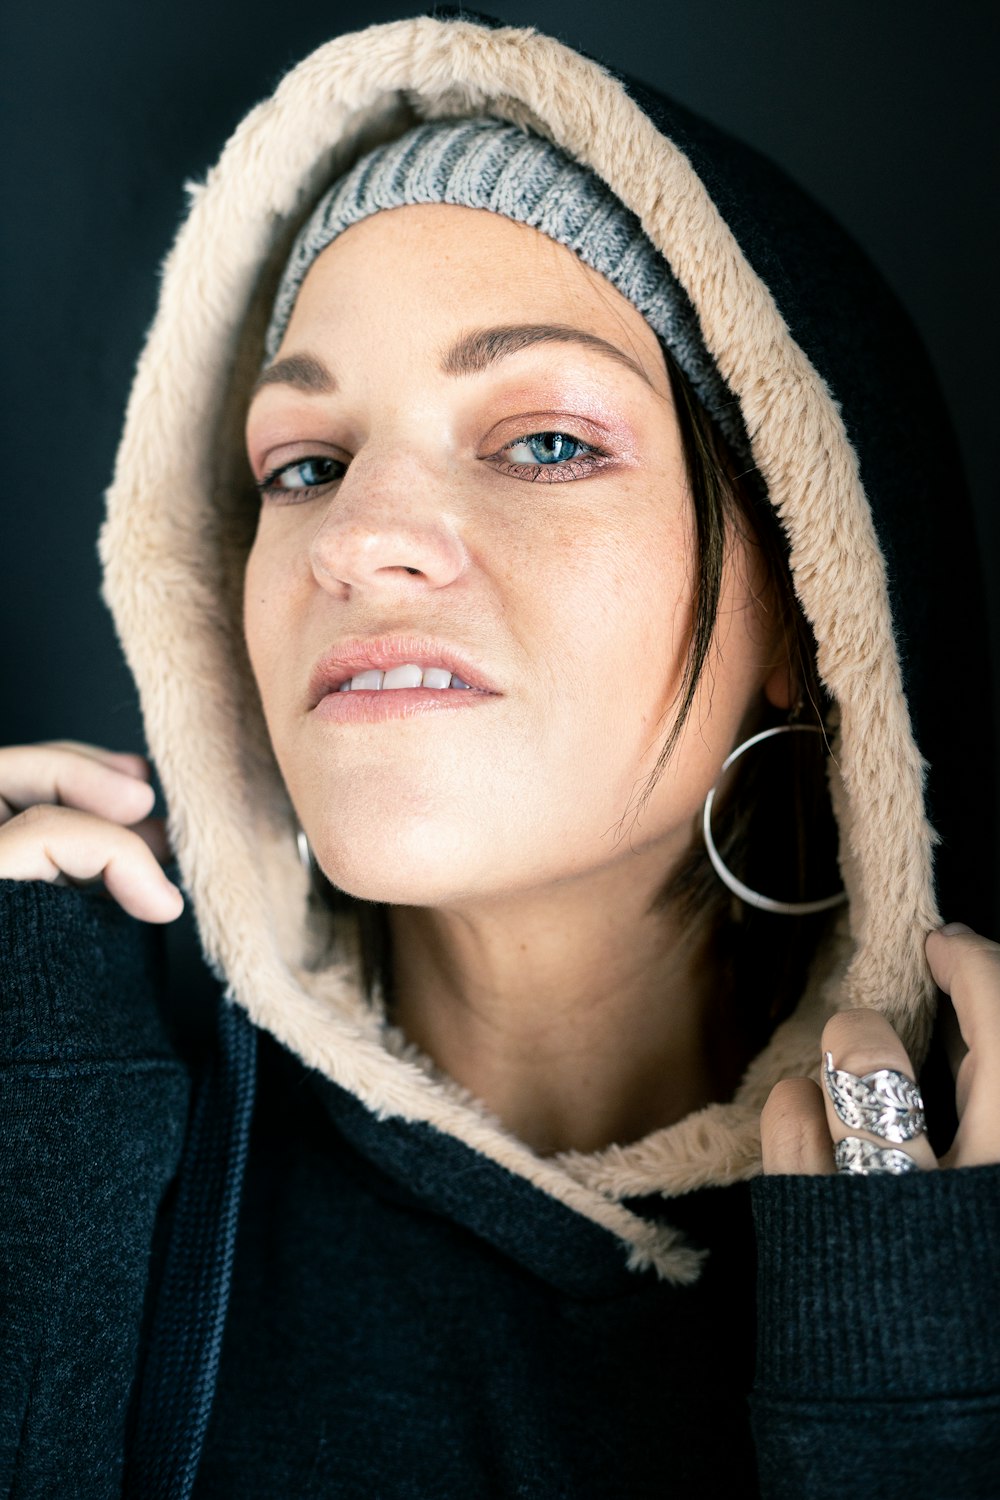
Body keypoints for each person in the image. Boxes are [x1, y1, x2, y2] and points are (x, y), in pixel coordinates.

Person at [2, 11, 998, 1499]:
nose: (357, 538)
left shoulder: (973, 1260)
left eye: (543, 442)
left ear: (814, 596)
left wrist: (920, 1409)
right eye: (304, 464)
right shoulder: (68, 1112)